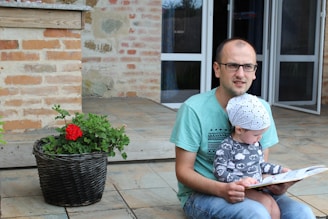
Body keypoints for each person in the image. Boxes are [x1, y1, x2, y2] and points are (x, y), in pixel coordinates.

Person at [170, 37, 315, 219]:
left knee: (302, 213)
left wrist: (274, 184)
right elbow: (183, 171)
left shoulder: (261, 108)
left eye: (247, 66)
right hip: (203, 194)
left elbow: (257, 165)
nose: (240, 74)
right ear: (217, 69)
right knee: (255, 214)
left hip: (248, 188)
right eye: (232, 65)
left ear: (255, 71)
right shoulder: (193, 109)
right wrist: (223, 189)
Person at [213, 93, 289, 219]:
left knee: (274, 207)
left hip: (257, 187)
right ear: (239, 129)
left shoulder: (255, 144)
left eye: (261, 134)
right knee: (266, 204)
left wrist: (280, 170)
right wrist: (240, 181)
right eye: (256, 134)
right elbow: (219, 171)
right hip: (240, 189)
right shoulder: (227, 146)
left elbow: (261, 165)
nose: (260, 138)